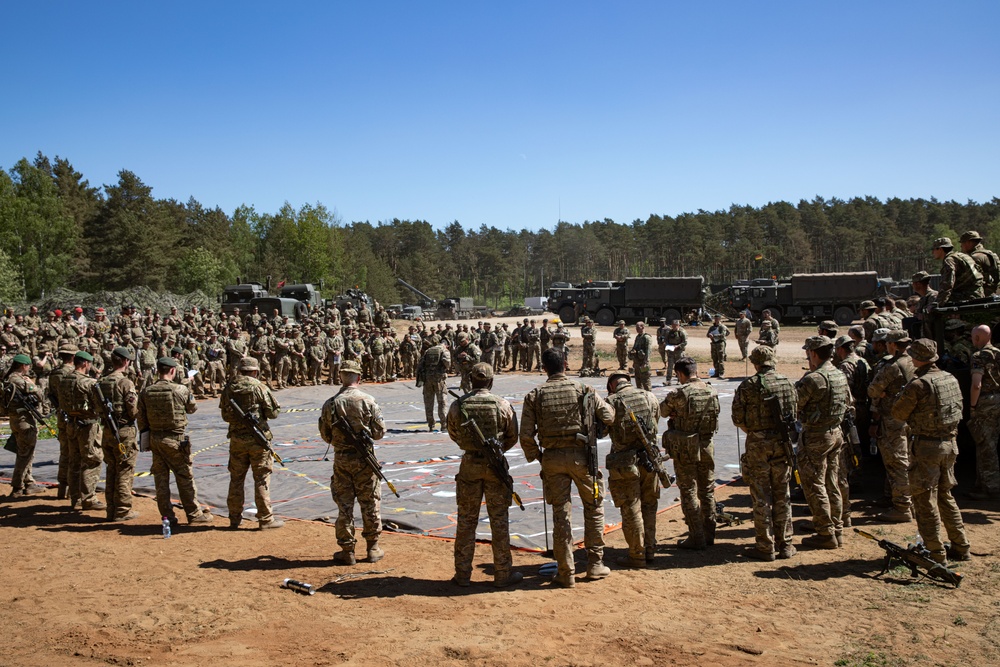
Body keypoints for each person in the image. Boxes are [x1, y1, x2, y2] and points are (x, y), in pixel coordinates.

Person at [520, 348, 615, 588]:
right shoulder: (584, 389)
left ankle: (565, 571)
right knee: (593, 508)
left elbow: (526, 435)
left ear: (544, 368)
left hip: (552, 458)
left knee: (561, 515)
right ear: (565, 364)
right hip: (582, 457)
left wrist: (539, 457)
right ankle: (594, 564)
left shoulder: (535, 395)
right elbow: (609, 416)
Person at [891, 339, 970, 564]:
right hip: (950, 444)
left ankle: (934, 553)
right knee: (945, 496)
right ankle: (961, 546)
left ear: (916, 358)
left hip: (927, 447)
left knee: (924, 500)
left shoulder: (918, 385)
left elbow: (898, 413)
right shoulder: (950, 378)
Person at [446, 363, 522, 587]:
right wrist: (497, 451)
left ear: (471, 380)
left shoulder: (458, 405)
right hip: (495, 466)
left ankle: (462, 575)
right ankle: (502, 573)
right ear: (491, 381)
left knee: (466, 521)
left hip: (469, 464)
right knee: (499, 521)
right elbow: (512, 435)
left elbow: (453, 433)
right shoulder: (502, 404)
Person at [318, 360, 388, 565]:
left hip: (342, 459)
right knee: (370, 503)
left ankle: (347, 549)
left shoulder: (330, 404)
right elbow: (379, 433)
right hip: (365, 460)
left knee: (344, 505)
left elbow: (326, 435)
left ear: (341, 377)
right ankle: (373, 547)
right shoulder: (368, 401)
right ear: (358, 377)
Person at [732, 346, 797, 561]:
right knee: (782, 494)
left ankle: (765, 546)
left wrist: (756, 432)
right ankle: (785, 544)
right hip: (782, 443)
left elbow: (738, 418)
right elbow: (794, 413)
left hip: (758, 445)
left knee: (760, 496)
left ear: (756, 363)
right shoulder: (787, 382)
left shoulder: (748, 386)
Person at [137, 357, 213, 527]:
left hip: (155, 438)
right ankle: (194, 514)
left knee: (160, 479)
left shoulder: (146, 391)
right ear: (172, 371)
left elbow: (141, 418)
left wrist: (145, 440)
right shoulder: (180, 389)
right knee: (184, 477)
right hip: (175, 439)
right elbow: (192, 408)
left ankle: (167, 516)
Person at [796, 336, 851, 549]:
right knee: (832, 481)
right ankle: (836, 528)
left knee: (814, 483)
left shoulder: (814, 379)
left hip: (817, 436)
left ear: (814, 354)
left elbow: (795, 404)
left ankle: (825, 532)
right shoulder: (838, 374)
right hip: (836, 432)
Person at [659, 357, 720, 550]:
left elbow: (662, 411)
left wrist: (677, 413)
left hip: (686, 447)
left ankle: (696, 536)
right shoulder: (711, 389)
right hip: (707, 444)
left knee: (688, 491)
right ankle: (710, 533)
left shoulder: (679, 393)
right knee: (707, 489)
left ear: (680, 374)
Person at [605, 371, 661, 567]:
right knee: (649, 504)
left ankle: (637, 554)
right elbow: (656, 422)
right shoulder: (649, 396)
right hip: (650, 459)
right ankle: (650, 549)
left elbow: (603, 430)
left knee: (631, 507)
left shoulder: (611, 401)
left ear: (612, 386)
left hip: (625, 462)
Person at [221, 357, 282, 530]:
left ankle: (234, 518)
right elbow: (272, 413)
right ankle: (265, 518)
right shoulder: (259, 387)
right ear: (255, 371)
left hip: (237, 440)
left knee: (236, 478)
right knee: (261, 478)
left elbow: (225, 415)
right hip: (258, 440)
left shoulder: (229, 388)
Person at [867, 330, 915, 523]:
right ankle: (893, 497)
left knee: (897, 462)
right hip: (909, 418)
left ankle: (902, 507)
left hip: (893, 419)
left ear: (893, 345)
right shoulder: (913, 361)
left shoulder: (892, 366)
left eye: (888, 343)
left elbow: (872, 390)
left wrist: (882, 394)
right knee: (904, 459)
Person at [97, 347, 141, 521]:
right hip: (123, 431)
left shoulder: (102, 381)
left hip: (107, 430)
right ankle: (122, 510)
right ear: (125, 362)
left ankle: (111, 508)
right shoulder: (125, 383)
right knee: (124, 470)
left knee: (112, 470)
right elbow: (133, 410)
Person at [64, 351, 105, 511]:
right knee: (92, 459)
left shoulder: (65, 380)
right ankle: (88, 498)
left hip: (71, 423)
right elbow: (99, 405)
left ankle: (75, 498)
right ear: (85, 364)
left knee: (74, 461)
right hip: (87, 425)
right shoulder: (88, 383)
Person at [3, 353, 47, 497]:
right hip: (24, 420)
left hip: (16, 419)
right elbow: (40, 395)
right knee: (25, 454)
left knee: (26, 451)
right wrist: (33, 384)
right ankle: (17, 486)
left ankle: (28, 482)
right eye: (28, 366)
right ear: (23, 366)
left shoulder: (8, 379)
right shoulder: (19, 380)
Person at [968, 325, 1000, 500]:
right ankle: (982, 484)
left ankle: (990, 487)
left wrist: (973, 406)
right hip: (999, 399)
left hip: (986, 402)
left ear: (977, 338)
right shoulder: (999, 352)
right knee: (991, 442)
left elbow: (976, 384)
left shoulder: (979, 356)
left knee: (985, 444)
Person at [932, 236, 984, 305]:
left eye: (934, 249)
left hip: (967, 296)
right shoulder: (961, 256)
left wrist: (938, 303)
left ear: (940, 249)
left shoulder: (949, 260)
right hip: (977, 293)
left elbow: (947, 284)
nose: (933, 252)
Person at [417, 338, 451, 432]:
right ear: (446, 345)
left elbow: (420, 365)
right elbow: (447, 364)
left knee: (428, 403)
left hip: (427, 380)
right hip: (439, 380)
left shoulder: (428, 350)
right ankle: (444, 425)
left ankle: (431, 425)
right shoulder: (444, 351)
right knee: (442, 402)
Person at [960, 230, 999, 297]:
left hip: (983, 294)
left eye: (962, 243)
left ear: (968, 243)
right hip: (994, 291)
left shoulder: (975, 257)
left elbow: (969, 280)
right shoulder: (988, 254)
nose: (961, 246)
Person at [629, 321, 654, 391]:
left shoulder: (646, 337)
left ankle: (650, 397)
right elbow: (635, 347)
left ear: (642, 327)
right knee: (638, 381)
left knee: (646, 381)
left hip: (643, 363)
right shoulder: (638, 337)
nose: (636, 329)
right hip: (637, 363)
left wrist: (645, 362)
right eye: (636, 327)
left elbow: (648, 351)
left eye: (638, 327)